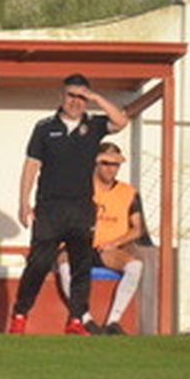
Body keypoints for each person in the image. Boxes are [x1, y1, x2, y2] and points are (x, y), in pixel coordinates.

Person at [10, 73, 128, 334]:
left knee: (81, 264)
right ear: (61, 97)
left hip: (81, 208)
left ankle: (76, 319)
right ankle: (20, 314)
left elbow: (121, 121)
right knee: (39, 264)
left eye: (81, 97)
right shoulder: (44, 127)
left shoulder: (94, 125)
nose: (75, 102)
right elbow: (31, 165)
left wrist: (96, 98)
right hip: (49, 208)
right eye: (71, 95)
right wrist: (23, 202)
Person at [56, 141, 145, 335]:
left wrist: (115, 243)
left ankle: (113, 321)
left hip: (108, 249)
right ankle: (85, 317)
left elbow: (137, 229)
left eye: (115, 164)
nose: (110, 169)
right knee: (64, 263)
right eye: (105, 163)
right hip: (78, 246)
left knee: (135, 266)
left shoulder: (128, 193)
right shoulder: (79, 188)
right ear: (95, 163)